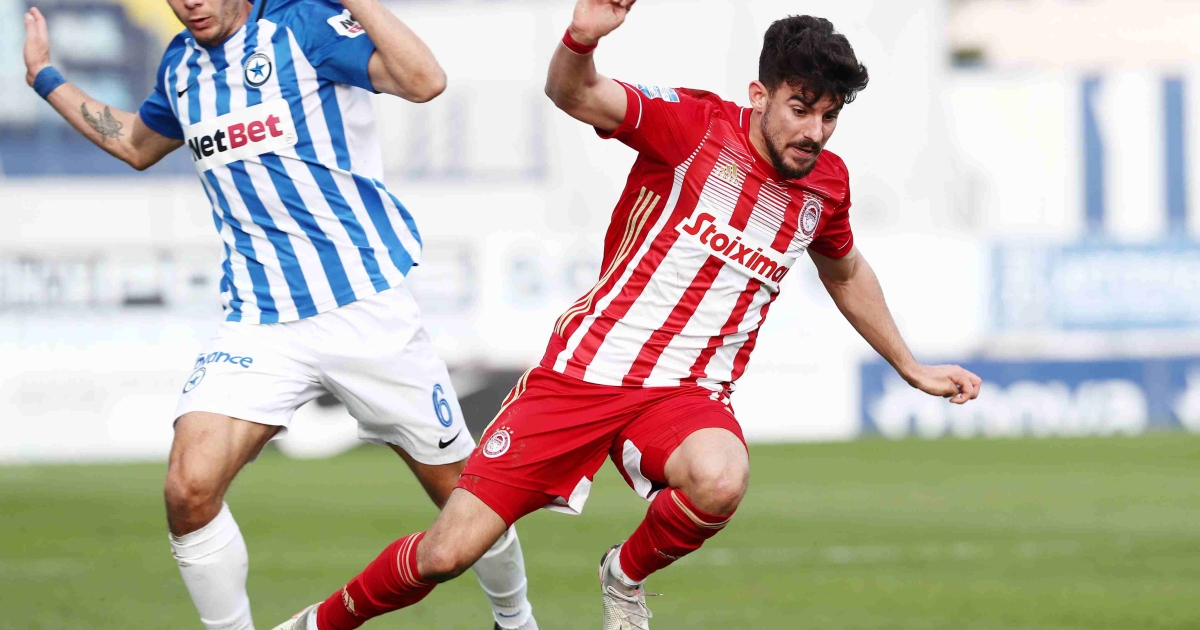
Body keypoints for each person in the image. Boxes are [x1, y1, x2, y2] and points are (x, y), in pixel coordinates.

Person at [272, 2, 983, 630]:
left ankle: (624, 575)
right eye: (801, 109)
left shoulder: (826, 184)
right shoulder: (694, 127)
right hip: (583, 375)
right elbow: (574, 93)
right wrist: (580, 39)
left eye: (829, 116)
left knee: (721, 477)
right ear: (759, 93)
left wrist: (909, 366)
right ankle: (316, 624)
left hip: (684, 395)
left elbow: (845, 270)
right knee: (446, 554)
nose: (815, 131)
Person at [21, 1, 540, 629]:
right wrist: (46, 78)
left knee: (467, 502)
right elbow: (134, 141)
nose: (190, 3)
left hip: (365, 309)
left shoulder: (304, 26)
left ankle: (516, 619)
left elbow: (425, 81)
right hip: (260, 322)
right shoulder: (181, 65)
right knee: (188, 487)